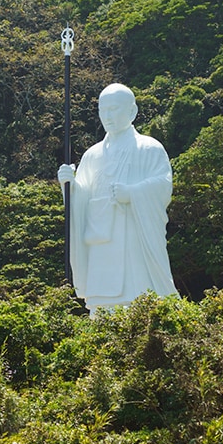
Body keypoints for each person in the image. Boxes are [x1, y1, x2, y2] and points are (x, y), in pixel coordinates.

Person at [58, 83, 177, 316]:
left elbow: (163, 186)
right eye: (103, 110)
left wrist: (132, 193)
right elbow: (80, 202)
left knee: (140, 298)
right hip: (100, 239)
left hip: (134, 238)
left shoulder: (149, 148)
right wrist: (69, 186)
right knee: (102, 306)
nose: (108, 116)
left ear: (132, 112)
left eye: (114, 109)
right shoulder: (92, 155)